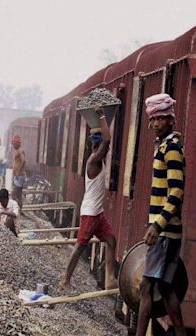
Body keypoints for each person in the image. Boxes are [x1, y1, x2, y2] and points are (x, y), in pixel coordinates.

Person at [136, 93, 187, 336]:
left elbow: (176, 191)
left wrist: (157, 225)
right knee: (166, 288)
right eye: (153, 119)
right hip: (168, 230)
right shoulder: (166, 147)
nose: (156, 123)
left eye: (161, 119)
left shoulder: (172, 149)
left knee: (146, 286)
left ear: (170, 120)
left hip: (165, 232)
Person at [59, 106, 118, 291]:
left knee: (111, 241)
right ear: (98, 146)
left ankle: (110, 279)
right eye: (103, 148)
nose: (106, 151)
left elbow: (105, 142)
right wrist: (101, 114)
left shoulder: (96, 160)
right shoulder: (93, 160)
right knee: (80, 246)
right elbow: (108, 140)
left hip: (97, 212)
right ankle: (65, 280)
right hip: (91, 212)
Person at [11, 135, 26, 209]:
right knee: (19, 194)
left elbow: (23, 161)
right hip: (19, 176)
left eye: (14, 144)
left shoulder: (20, 150)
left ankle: (16, 209)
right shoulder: (18, 150)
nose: (13, 145)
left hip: (19, 176)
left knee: (14, 194)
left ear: (17, 143)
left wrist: (18, 172)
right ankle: (20, 210)